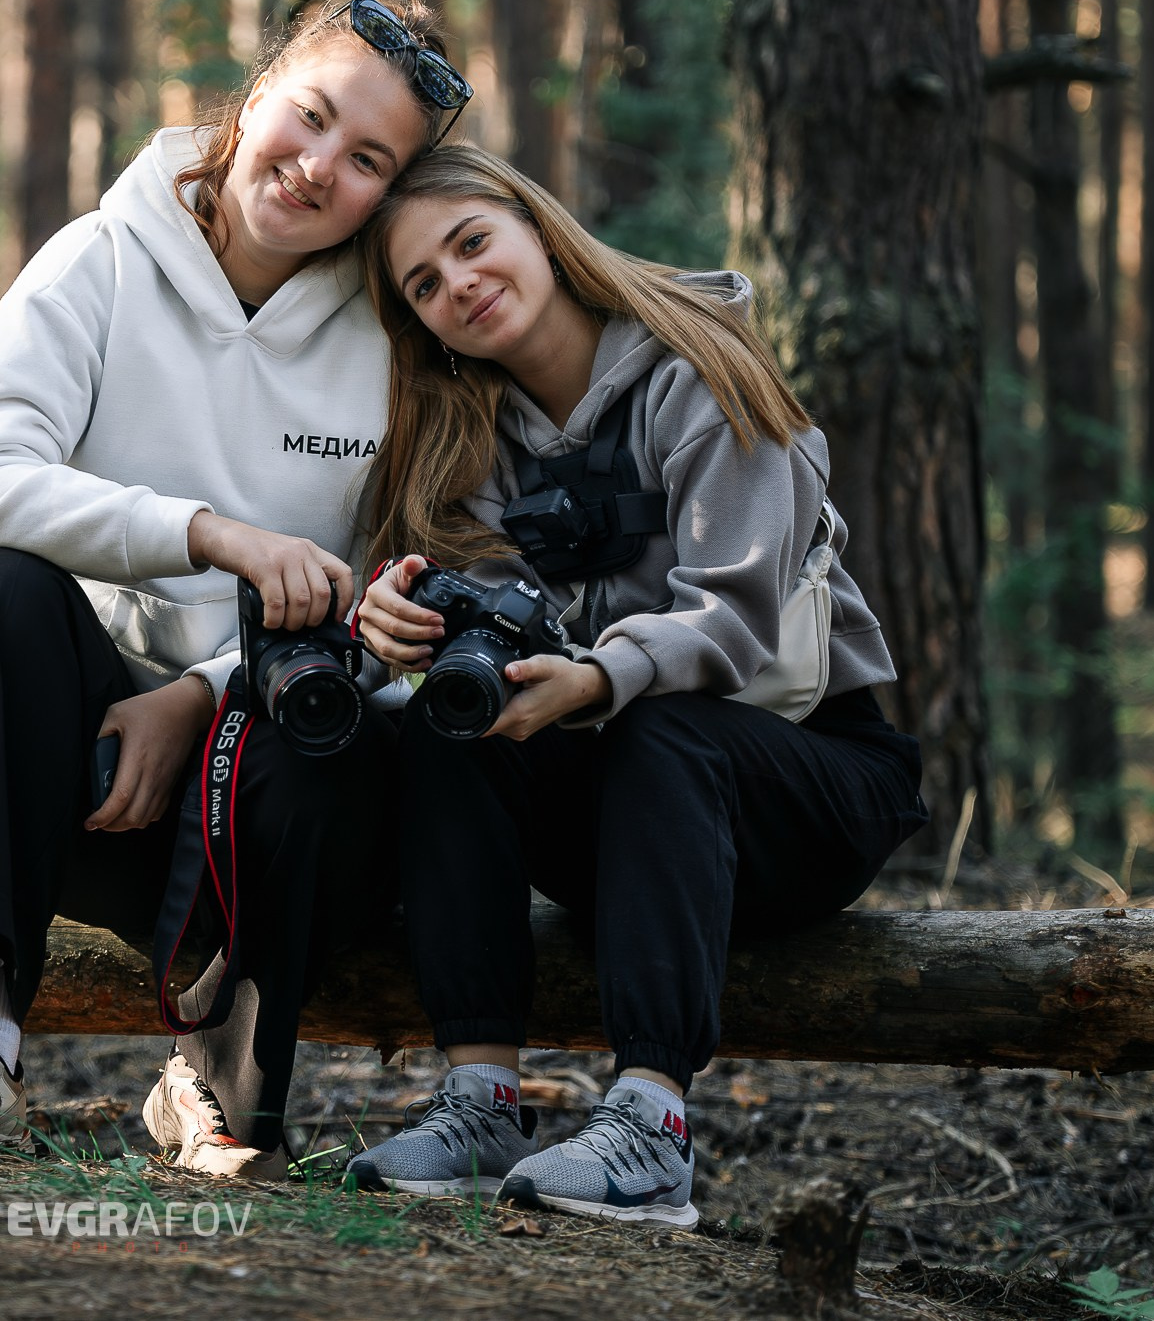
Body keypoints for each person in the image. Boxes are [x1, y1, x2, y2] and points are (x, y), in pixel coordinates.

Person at [0, 0, 473, 1171]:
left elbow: (400, 599)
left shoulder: (395, 338)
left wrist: (205, 695)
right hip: (76, 785)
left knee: (335, 738)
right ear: (255, 96)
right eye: (311, 115)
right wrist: (206, 533)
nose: (318, 166)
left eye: (368, 157)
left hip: (268, 784)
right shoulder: (101, 258)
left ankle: (222, 1084)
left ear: (393, 190)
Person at [340, 145, 926, 1224]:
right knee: (444, 730)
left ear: (538, 229)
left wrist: (599, 677)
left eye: (471, 242)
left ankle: (652, 1123)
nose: (457, 284)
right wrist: (402, 626)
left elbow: (736, 618)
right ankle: (479, 1098)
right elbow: (486, 644)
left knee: (665, 727)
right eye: (423, 284)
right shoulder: (467, 441)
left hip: (809, 782)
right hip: (632, 822)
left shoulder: (698, 368)